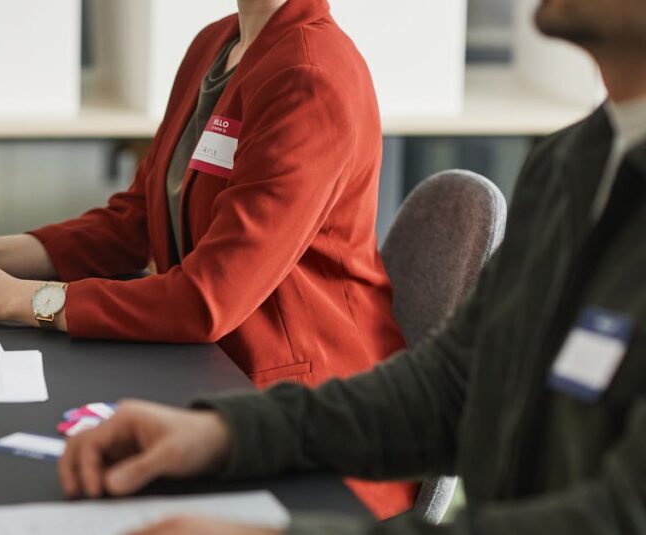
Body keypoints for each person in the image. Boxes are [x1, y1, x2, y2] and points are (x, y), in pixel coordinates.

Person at [56, 0, 646, 533]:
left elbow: (617, 517)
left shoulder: (311, 70)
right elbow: (453, 387)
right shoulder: (569, 162)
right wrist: (226, 432)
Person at [0, 0, 414, 519]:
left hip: (305, 429)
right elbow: (135, 220)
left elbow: (206, 299)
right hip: (202, 376)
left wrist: (10, 297)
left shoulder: (311, 77)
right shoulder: (217, 44)